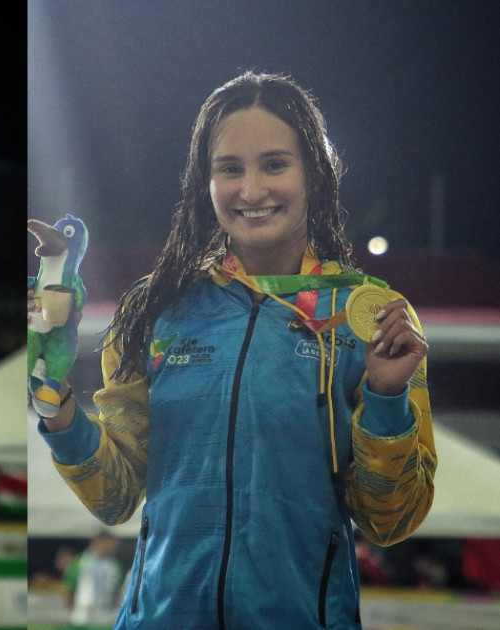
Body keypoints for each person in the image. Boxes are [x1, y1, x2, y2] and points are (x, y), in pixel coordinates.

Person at [35, 72, 437, 629]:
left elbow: (389, 521)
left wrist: (386, 397)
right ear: (205, 180)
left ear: (314, 175)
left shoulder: (368, 317)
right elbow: (117, 496)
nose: (250, 190)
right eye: (229, 168)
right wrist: (57, 410)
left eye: (275, 164)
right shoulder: (154, 309)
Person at [68, 531, 123, 627]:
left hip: (105, 617)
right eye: (111, 544)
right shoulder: (81, 562)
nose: (114, 548)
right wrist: (73, 610)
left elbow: (117, 590)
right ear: (100, 543)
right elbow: (69, 589)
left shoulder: (114, 566)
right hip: (83, 617)